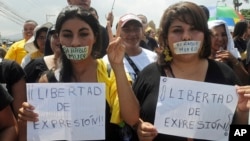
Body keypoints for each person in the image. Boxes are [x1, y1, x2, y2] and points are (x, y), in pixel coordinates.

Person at [18, 5, 139, 141]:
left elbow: (132, 118)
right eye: (67, 35)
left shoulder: (111, 74)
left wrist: (118, 66)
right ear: (59, 39)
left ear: (95, 37)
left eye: (83, 34)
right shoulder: (48, 81)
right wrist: (25, 121)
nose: (75, 43)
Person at [131, 2, 249, 141]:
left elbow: (241, 135)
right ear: (165, 37)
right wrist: (139, 128)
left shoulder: (226, 75)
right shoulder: (149, 75)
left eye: (194, 29)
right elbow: (130, 122)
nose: (186, 37)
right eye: (177, 30)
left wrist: (242, 113)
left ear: (205, 35)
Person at [104, 13, 157, 83]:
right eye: (126, 30)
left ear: (142, 32)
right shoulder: (107, 61)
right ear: (118, 32)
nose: (132, 34)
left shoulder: (155, 58)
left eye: (136, 29)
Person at [208, 20, 249, 85]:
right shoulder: (200, 59)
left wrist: (233, 61)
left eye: (224, 35)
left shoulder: (234, 57)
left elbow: (246, 82)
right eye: (215, 35)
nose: (220, 39)